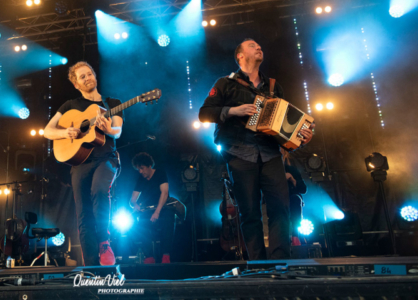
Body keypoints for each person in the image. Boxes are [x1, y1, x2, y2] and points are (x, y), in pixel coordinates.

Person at [198, 38, 314, 260]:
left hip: (270, 154)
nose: (259, 47)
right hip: (239, 153)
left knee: (281, 208)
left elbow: (282, 125)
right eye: (252, 46)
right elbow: (204, 114)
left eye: (260, 45)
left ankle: (281, 262)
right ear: (240, 56)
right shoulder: (225, 83)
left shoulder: (273, 87)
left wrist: (300, 137)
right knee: (250, 213)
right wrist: (234, 111)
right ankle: (259, 265)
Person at [44, 61, 123, 266]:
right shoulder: (70, 106)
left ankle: (104, 242)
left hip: (106, 158)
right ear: (76, 84)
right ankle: (89, 263)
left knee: (98, 190)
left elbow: (118, 131)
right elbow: (47, 131)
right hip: (80, 162)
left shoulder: (112, 102)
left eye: (90, 74)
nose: (88, 78)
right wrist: (65, 132)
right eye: (82, 77)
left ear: (95, 76)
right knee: (83, 211)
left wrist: (108, 130)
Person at [129, 152, 174, 264]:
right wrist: (135, 205)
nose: (140, 171)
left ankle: (165, 255)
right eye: (138, 169)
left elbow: (164, 193)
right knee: (136, 226)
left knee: (169, 218)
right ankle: (149, 256)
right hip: (148, 210)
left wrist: (157, 212)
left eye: (142, 168)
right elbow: (132, 199)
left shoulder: (160, 173)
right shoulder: (140, 178)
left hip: (162, 209)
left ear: (149, 166)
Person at [280, 148, 307, 246]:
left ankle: (295, 236)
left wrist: (292, 179)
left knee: (296, 199)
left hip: (292, 198)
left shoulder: (292, 169)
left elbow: (303, 189)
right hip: (277, 199)